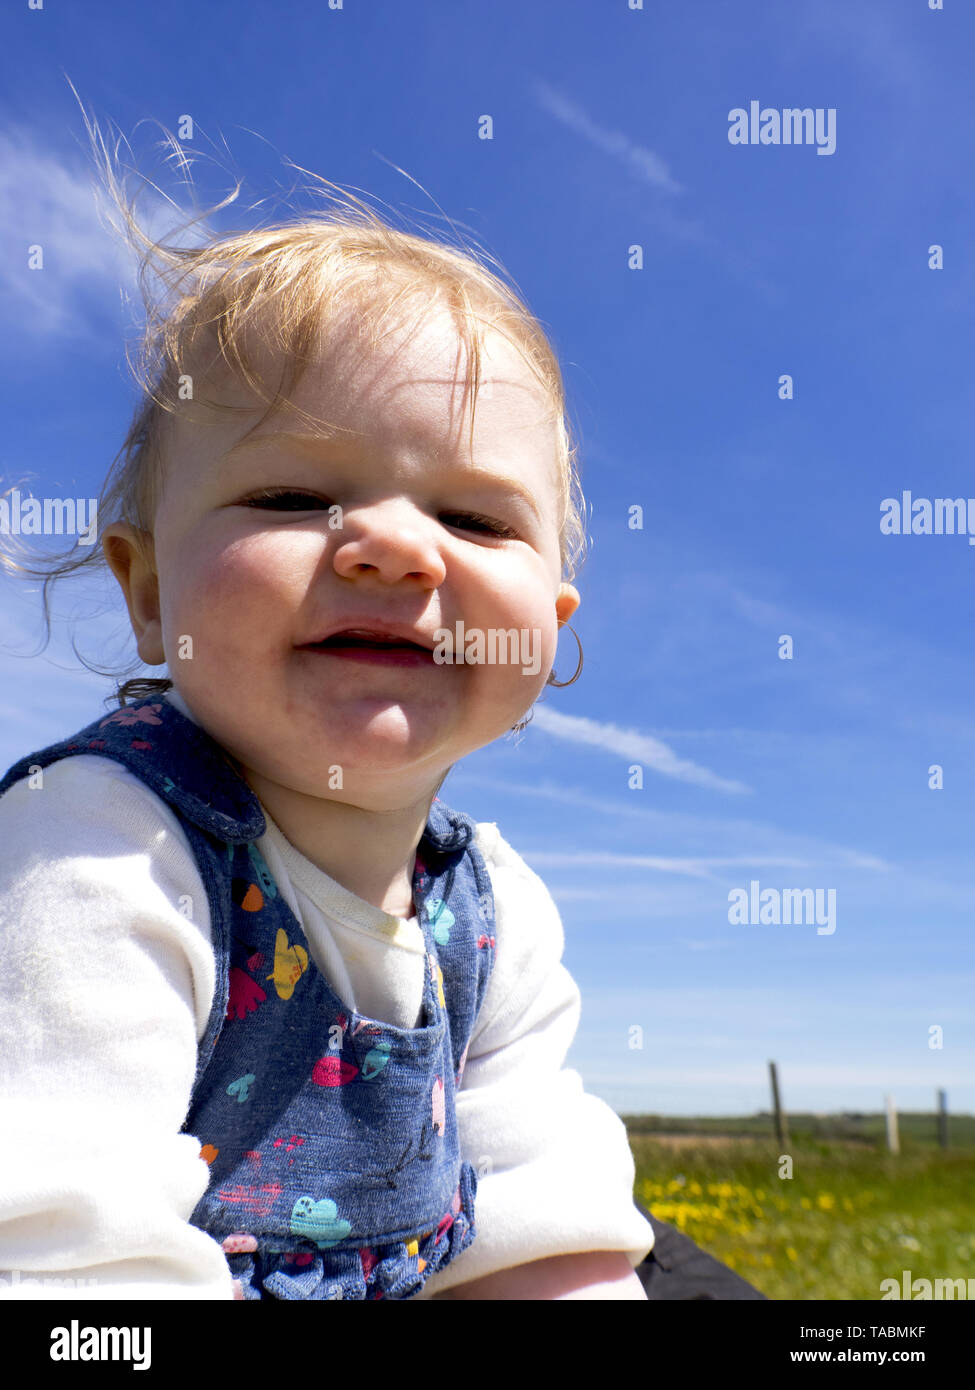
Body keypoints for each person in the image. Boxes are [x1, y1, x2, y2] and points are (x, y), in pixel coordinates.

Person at [0, 134, 757, 1301]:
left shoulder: (495, 913)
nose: (398, 547)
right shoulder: (99, 846)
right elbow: (63, 1257)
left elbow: (543, 1220)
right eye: (293, 496)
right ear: (148, 591)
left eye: (475, 517)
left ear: (547, 627)